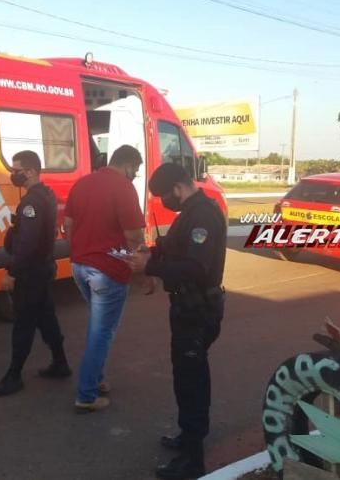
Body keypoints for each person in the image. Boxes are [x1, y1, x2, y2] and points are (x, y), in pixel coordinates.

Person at [126, 163, 227, 480]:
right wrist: (151, 252)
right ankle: (190, 435)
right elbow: (176, 248)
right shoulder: (191, 212)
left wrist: (150, 268)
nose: (162, 202)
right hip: (187, 308)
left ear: (178, 189)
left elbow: (196, 268)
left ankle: (192, 461)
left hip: (198, 310)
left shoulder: (203, 216)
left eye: (162, 196)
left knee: (191, 381)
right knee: (187, 376)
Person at [63, 144, 146, 413]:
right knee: (101, 333)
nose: (135, 174)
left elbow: (68, 227)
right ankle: (86, 395)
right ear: (129, 164)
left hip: (79, 266)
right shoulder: (123, 187)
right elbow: (134, 235)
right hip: (107, 271)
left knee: (99, 325)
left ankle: (96, 379)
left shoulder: (83, 183)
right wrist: (143, 270)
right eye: (136, 169)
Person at [0, 150, 71, 397]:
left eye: (16, 170)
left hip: (31, 272)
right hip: (43, 268)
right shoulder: (45, 194)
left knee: (23, 324)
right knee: (46, 318)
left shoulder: (31, 202)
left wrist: (12, 272)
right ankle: (60, 363)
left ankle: (14, 376)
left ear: (31, 172)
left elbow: (27, 242)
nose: (12, 174)